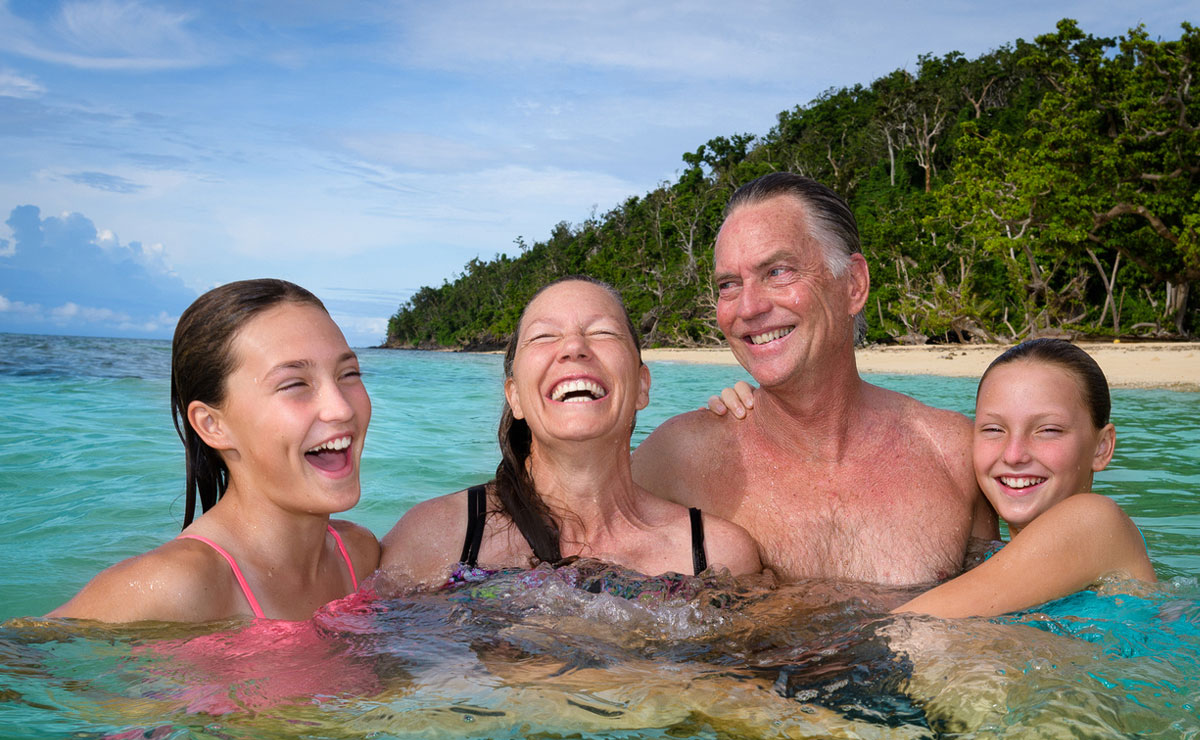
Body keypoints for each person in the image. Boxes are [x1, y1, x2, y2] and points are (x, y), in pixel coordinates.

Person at [631, 172, 996, 586]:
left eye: (778, 272)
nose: (748, 308)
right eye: (729, 284)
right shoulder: (677, 459)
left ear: (854, 285)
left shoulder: (953, 456)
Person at [712, 339, 1156, 616]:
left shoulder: (1095, 522)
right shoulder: (994, 560)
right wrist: (769, 410)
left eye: (1049, 430)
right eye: (993, 430)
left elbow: (909, 628)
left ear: (1102, 446)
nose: (1015, 454)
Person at [380, 276, 761, 587]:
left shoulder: (717, 557)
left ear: (642, 387)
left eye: (603, 333)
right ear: (515, 397)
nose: (574, 347)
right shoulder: (434, 539)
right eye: (545, 337)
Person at [48, 279, 380, 623]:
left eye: (349, 373)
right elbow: (20, 653)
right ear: (211, 425)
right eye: (295, 383)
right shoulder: (177, 584)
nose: (341, 408)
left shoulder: (358, 554)